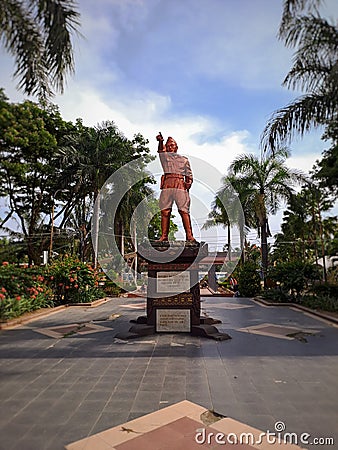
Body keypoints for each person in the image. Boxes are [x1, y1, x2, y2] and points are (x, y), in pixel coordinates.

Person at [156, 132, 196, 242]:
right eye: (168, 146)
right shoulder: (165, 158)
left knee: (184, 210)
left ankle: (189, 236)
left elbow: (189, 174)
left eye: (172, 145)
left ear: (176, 147)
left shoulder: (184, 160)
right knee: (165, 211)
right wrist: (160, 142)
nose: (170, 147)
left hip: (179, 184)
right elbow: (160, 151)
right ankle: (164, 236)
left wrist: (188, 182)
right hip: (168, 183)